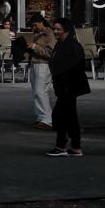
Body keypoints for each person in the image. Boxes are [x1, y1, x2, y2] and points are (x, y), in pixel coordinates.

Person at [48, 17, 90, 156]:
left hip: (69, 87)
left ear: (66, 30)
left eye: (58, 29)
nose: (55, 31)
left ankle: (63, 145)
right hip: (64, 87)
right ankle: (73, 146)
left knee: (62, 115)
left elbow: (76, 68)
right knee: (68, 116)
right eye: (54, 29)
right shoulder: (61, 44)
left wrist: (66, 84)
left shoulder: (72, 46)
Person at [21, 13, 56, 129]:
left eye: (35, 25)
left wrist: (35, 47)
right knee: (37, 92)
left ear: (41, 23)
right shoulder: (38, 34)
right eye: (32, 26)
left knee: (40, 91)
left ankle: (47, 119)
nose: (33, 28)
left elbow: (50, 53)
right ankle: (42, 117)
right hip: (35, 64)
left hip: (43, 65)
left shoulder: (49, 34)